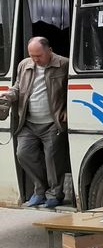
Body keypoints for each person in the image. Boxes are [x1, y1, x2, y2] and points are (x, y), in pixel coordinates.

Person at [0, 37, 69, 209]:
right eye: (32, 56)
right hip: (28, 121)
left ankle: (55, 194)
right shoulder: (24, 65)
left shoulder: (63, 64)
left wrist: (68, 109)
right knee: (23, 153)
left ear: (49, 51)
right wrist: (9, 95)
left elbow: (70, 89)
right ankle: (40, 190)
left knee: (53, 159)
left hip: (52, 122)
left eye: (39, 55)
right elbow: (18, 87)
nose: (35, 59)